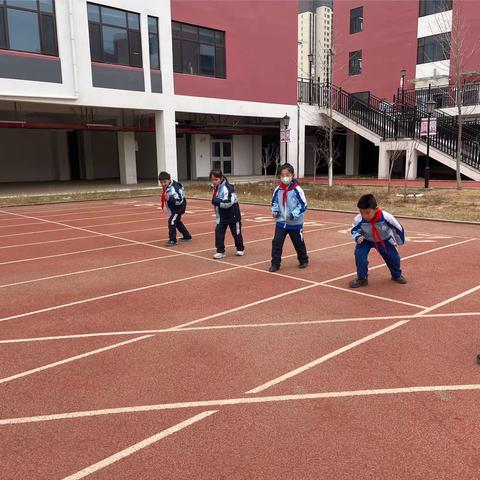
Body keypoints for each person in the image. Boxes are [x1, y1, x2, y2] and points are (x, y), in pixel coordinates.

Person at [350, 193, 407, 288]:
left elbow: (398, 228)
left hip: (384, 240)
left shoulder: (386, 217)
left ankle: (396, 275)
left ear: (376, 209)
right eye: (361, 212)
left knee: (393, 258)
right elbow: (354, 229)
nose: (364, 216)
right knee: (360, 256)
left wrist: (399, 241)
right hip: (366, 240)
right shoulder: (359, 219)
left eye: (367, 213)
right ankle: (362, 278)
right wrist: (357, 236)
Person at [269, 163, 309, 272]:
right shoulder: (278, 189)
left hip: (295, 223)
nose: (285, 178)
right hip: (281, 222)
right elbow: (274, 202)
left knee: (298, 243)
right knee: (277, 243)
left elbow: (303, 205)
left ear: (292, 175)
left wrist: (293, 215)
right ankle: (275, 263)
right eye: (282, 175)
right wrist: (275, 211)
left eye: (287, 175)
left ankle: (303, 259)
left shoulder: (297, 190)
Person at [210, 169, 244, 259]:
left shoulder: (228, 188)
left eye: (216, 180)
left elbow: (229, 202)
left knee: (236, 233)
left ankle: (240, 248)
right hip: (222, 216)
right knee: (219, 233)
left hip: (233, 215)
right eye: (212, 180)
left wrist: (216, 201)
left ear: (221, 178)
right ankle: (220, 251)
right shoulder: (216, 188)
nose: (214, 182)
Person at [159, 171, 192, 246]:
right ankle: (187, 236)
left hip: (179, 207)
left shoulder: (175, 188)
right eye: (161, 182)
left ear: (169, 180)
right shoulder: (167, 186)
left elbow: (180, 200)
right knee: (177, 221)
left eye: (165, 182)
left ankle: (173, 240)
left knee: (172, 221)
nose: (163, 184)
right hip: (173, 207)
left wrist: (170, 199)